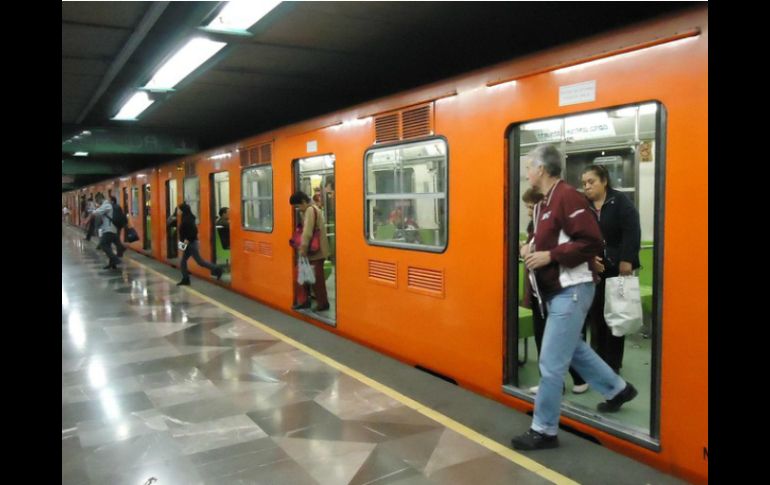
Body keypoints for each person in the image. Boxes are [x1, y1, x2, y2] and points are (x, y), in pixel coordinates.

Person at [511, 145, 637, 451]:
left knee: (551, 362)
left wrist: (550, 255)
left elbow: (591, 240)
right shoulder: (544, 203)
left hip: (573, 290)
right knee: (575, 349)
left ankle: (544, 430)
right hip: (555, 291)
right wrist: (529, 247)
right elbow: (542, 239)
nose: (527, 173)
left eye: (529, 167)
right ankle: (617, 389)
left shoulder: (567, 197)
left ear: (541, 169)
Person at [521, 188, 588, 395]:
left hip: (555, 289)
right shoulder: (534, 225)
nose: (529, 212)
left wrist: (530, 250)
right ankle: (553, 383)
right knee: (544, 337)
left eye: (531, 207)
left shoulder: (555, 225)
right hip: (539, 289)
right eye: (528, 207)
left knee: (560, 338)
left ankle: (579, 378)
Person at [581, 164, 641, 373]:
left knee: (616, 315)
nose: (587, 187)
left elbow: (632, 231)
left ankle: (613, 363)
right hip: (594, 270)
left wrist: (627, 259)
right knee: (597, 316)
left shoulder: (620, 201)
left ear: (604, 181)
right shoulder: (584, 206)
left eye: (591, 182)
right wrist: (589, 259)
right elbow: (579, 236)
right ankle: (597, 360)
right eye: (584, 183)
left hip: (617, 269)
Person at [289, 191, 329, 312]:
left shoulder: (310, 210)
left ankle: (322, 304)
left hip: (316, 252)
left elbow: (307, 232)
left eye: (298, 206)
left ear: (303, 202)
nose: (298, 209)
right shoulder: (310, 210)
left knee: (316, 280)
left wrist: (303, 248)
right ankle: (305, 301)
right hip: (313, 251)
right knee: (304, 277)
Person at [175, 202, 223, 286]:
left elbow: (194, 231)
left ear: (183, 210)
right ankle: (185, 279)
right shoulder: (187, 217)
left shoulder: (187, 219)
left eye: (179, 209)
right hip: (190, 243)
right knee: (184, 261)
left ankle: (217, 269)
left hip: (191, 243)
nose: (177, 211)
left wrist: (187, 239)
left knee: (200, 261)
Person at [86, 193, 121, 270]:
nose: (97, 202)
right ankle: (112, 264)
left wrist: (91, 214)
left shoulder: (106, 205)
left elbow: (96, 212)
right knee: (108, 245)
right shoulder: (106, 205)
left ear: (100, 199)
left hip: (109, 229)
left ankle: (115, 259)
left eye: (97, 200)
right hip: (109, 229)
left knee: (102, 244)